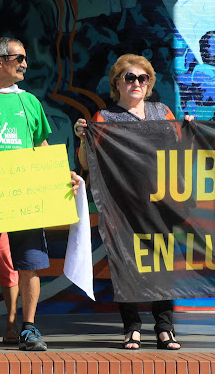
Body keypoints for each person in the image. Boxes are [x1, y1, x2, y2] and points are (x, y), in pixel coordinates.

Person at [0, 37, 80, 352]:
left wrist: (64, 175)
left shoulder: (30, 102)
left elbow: (41, 148)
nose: (24, 63)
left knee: (30, 264)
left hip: (26, 196)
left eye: (25, 58)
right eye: (18, 57)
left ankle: (30, 329)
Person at [75, 54, 186, 350]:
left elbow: (180, 149)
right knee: (127, 264)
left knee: (162, 264)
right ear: (117, 83)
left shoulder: (162, 112)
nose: (136, 83)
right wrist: (84, 138)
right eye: (129, 78)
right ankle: (132, 328)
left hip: (161, 203)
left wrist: (189, 129)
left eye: (142, 78)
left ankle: (165, 328)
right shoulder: (105, 118)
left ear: (148, 84)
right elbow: (86, 163)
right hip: (121, 205)